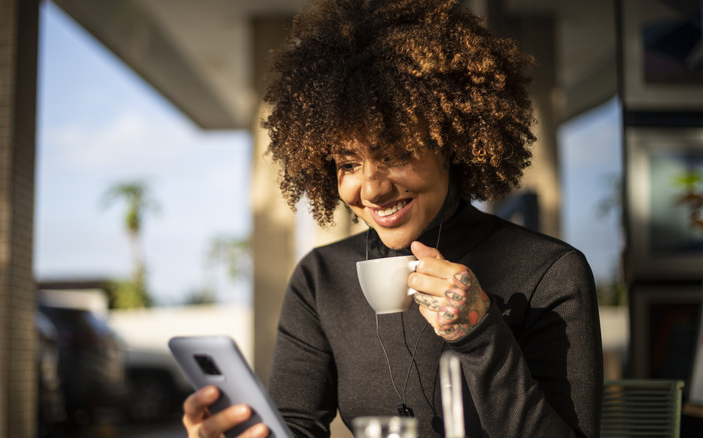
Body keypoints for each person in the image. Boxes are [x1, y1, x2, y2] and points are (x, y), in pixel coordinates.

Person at [183, 0, 603, 436]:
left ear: (453, 145)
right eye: (347, 164)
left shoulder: (550, 273)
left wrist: (479, 334)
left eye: (397, 153)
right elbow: (297, 427)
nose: (371, 189)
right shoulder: (321, 279)